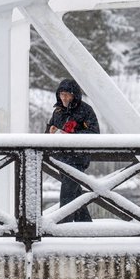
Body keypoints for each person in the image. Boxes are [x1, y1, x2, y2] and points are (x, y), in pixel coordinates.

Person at [46, 78, 99, 222]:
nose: (64, 97)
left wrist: (70, 136)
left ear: (74, 95)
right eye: (61, 94)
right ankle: (85, 225)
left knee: (67, 196)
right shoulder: (57, 111)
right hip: (61, 159)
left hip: (77, 158)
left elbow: (94, 133)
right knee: (75, 195)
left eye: (67, 94)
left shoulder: (86, 110)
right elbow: (48, 131)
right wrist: (50, 130)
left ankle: (63, 230)